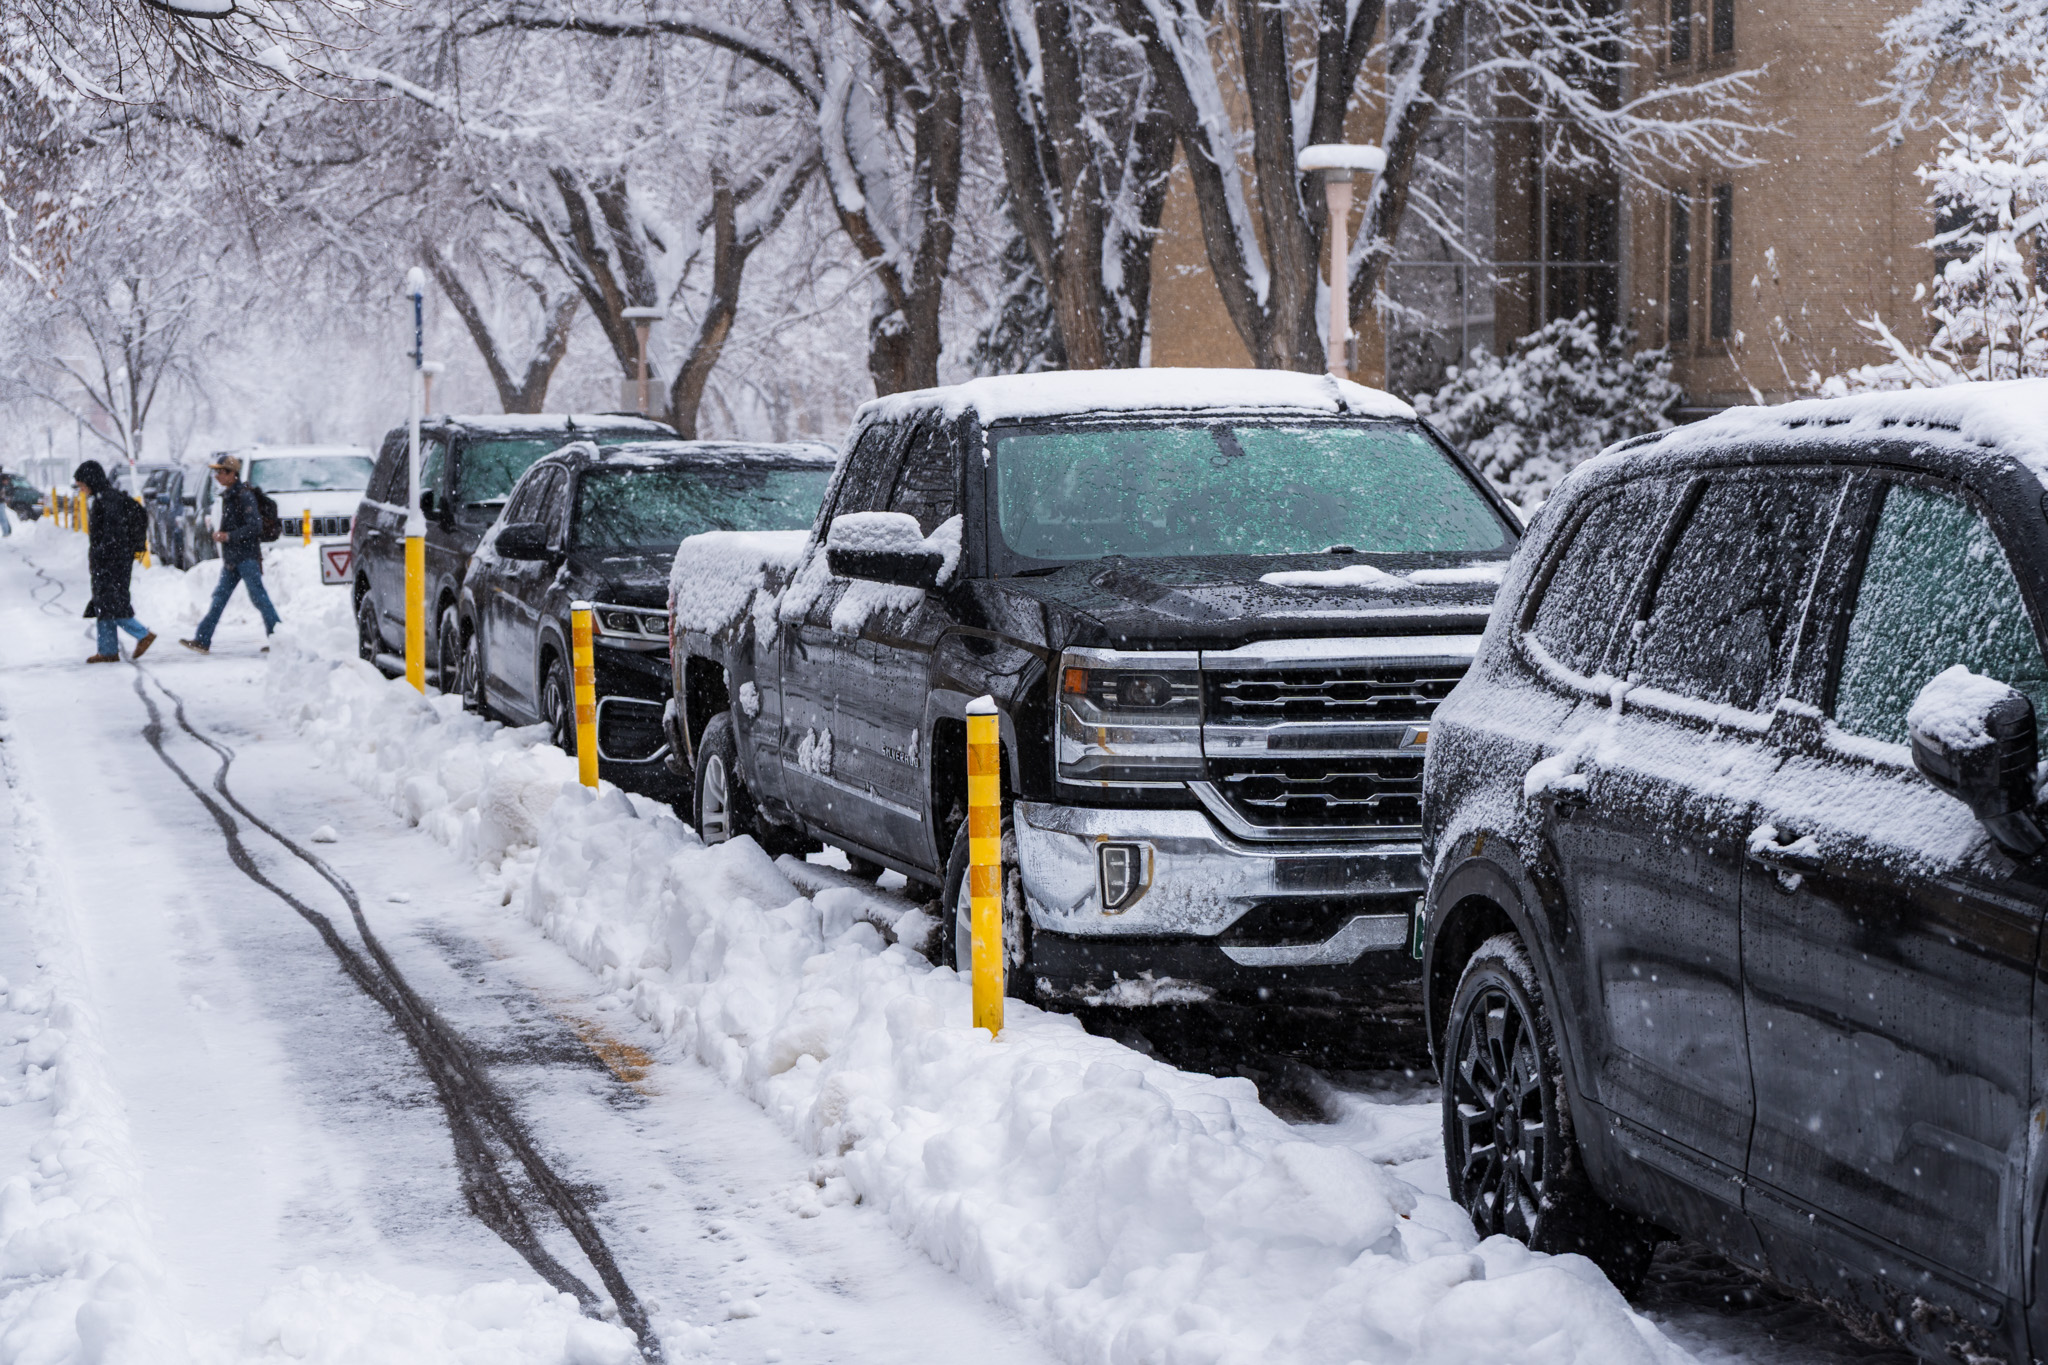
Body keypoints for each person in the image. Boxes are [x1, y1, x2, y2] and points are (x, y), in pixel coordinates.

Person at [182, 454, 280, 654]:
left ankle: (279, 639)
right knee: (219, 599)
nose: (217, 475)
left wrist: (229, 536)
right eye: (216, 471)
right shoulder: (230, 495)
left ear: (231, 473)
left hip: (246, 558)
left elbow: (255, 526)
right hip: (233, 559)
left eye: (220, 471)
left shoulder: (243, 496)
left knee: (259, 599)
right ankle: (202, 640)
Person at [73, 460, 154, 663]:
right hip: (111, 562)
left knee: (113, 604)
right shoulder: (105, 498)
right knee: (103, 605)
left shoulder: (107, 501)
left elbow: (112, 535)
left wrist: (102, 555)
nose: (81, 490)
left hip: (113, 563)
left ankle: (142, 634)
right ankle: (107, 650)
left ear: (90, 481)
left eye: (81, 485)